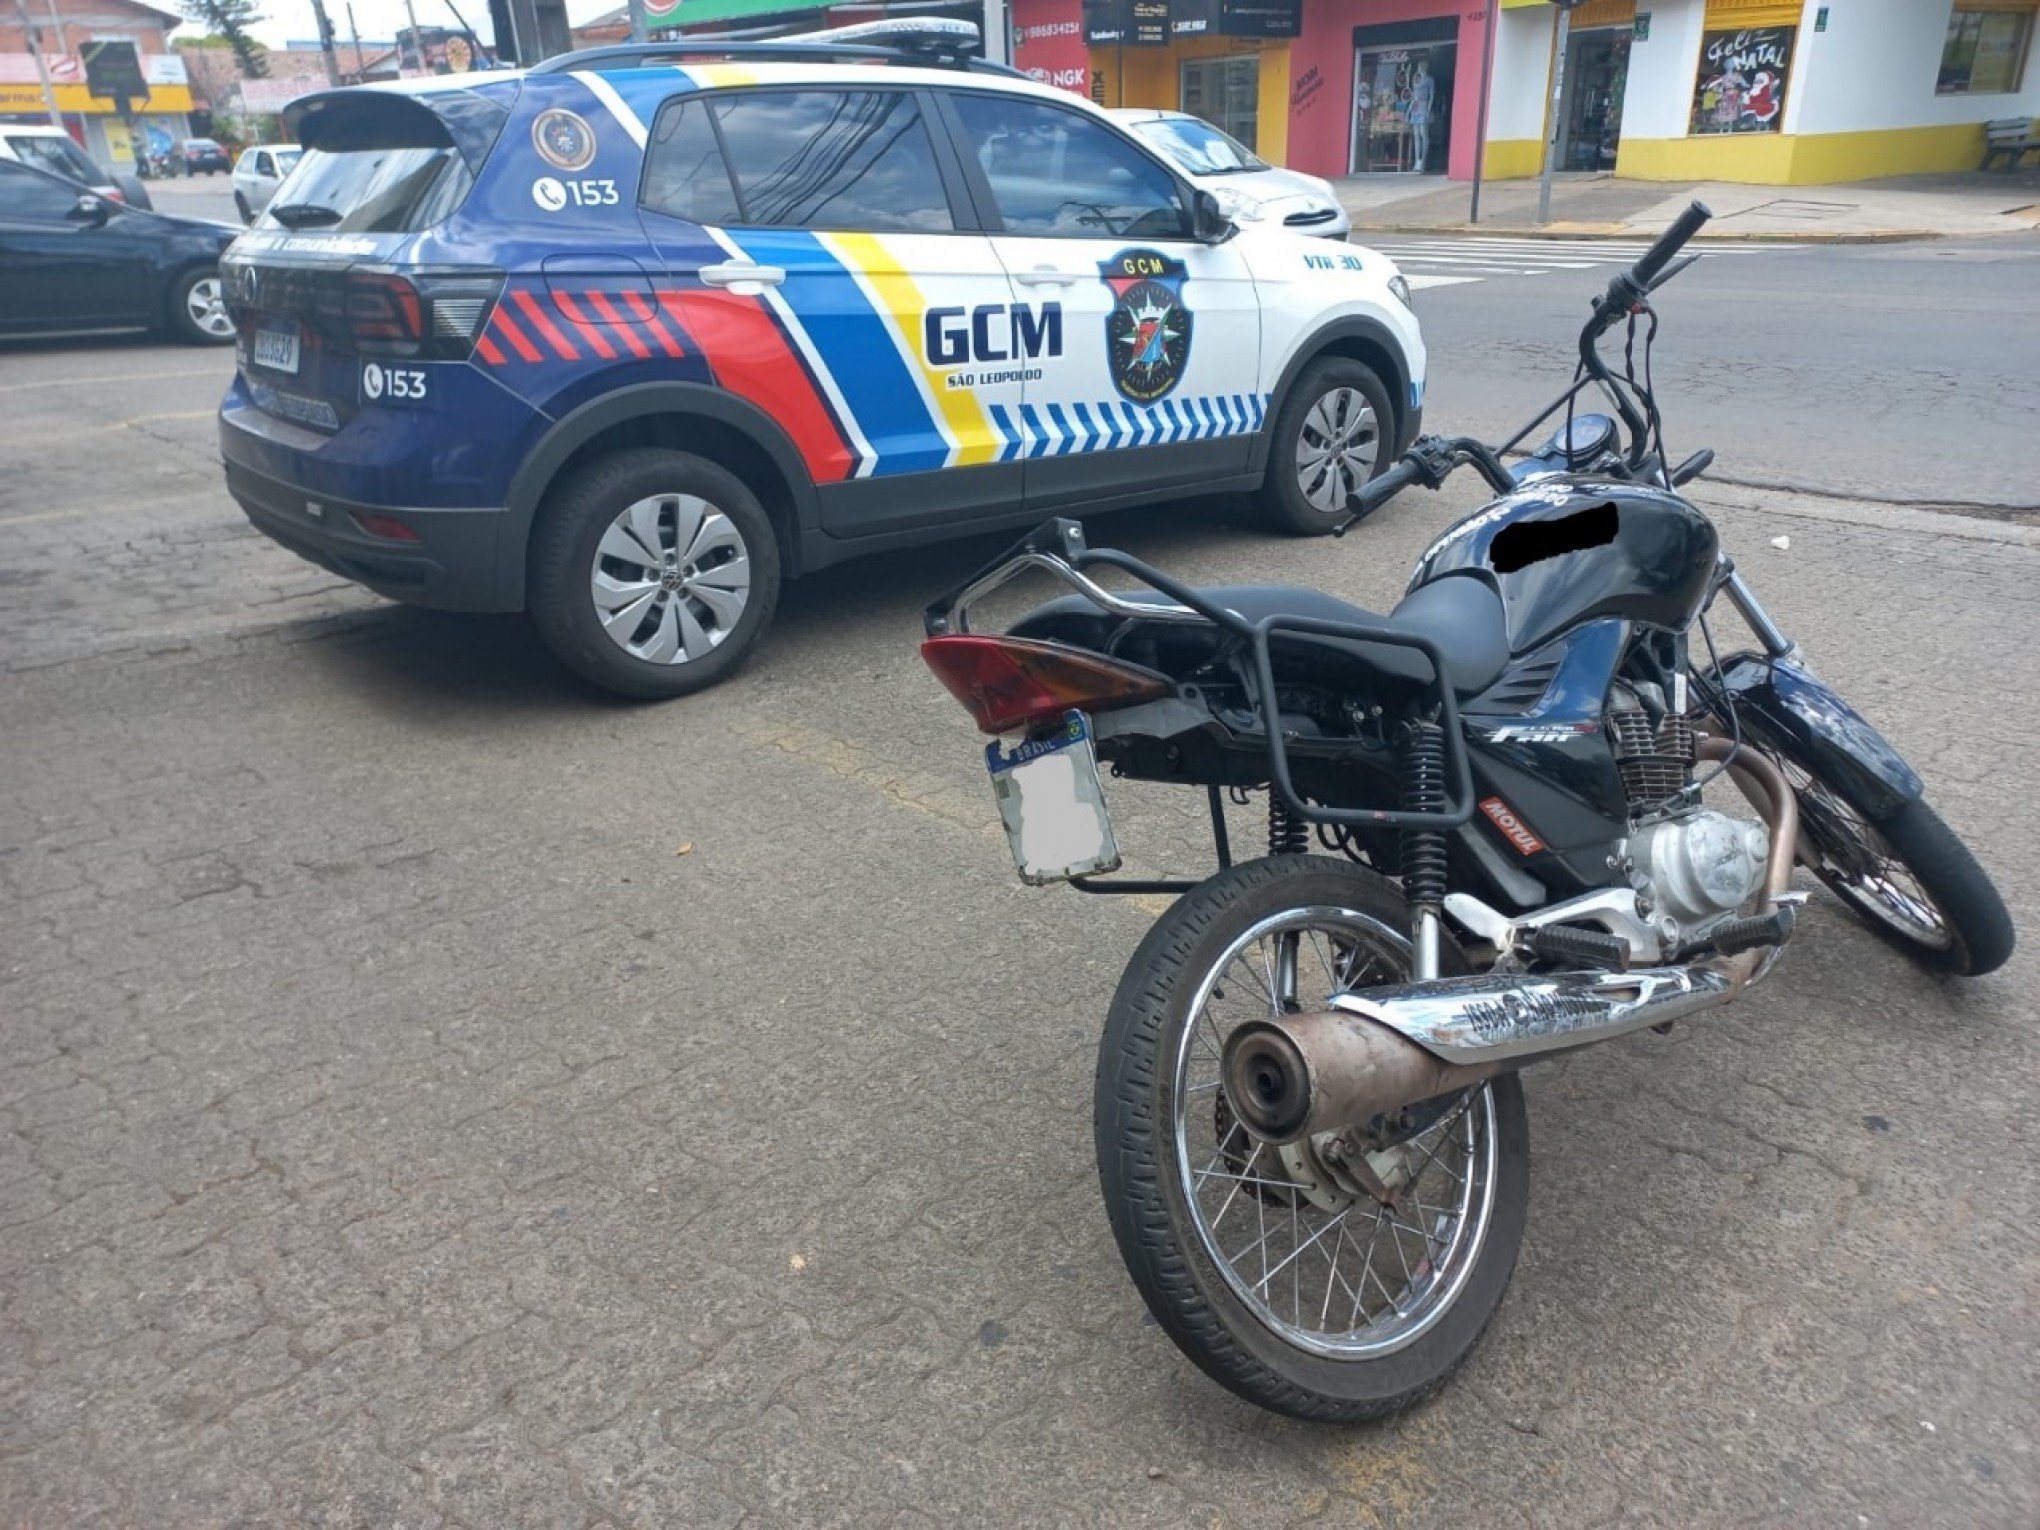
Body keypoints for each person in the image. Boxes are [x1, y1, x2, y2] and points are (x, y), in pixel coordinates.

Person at [1407, 60, 1435, 172]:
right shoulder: (1416, 78)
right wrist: (1409, 109)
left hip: (1423, 105)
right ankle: (1417, 161)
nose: (1420, 67)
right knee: (1416, 135)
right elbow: (1414, 95)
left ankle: (1423, 160)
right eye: (1419, 66)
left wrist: (1428, 108)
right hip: (1415, 106)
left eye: (1422, 66)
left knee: (1424, 134)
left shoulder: (1429, 79)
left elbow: (1432, 94)